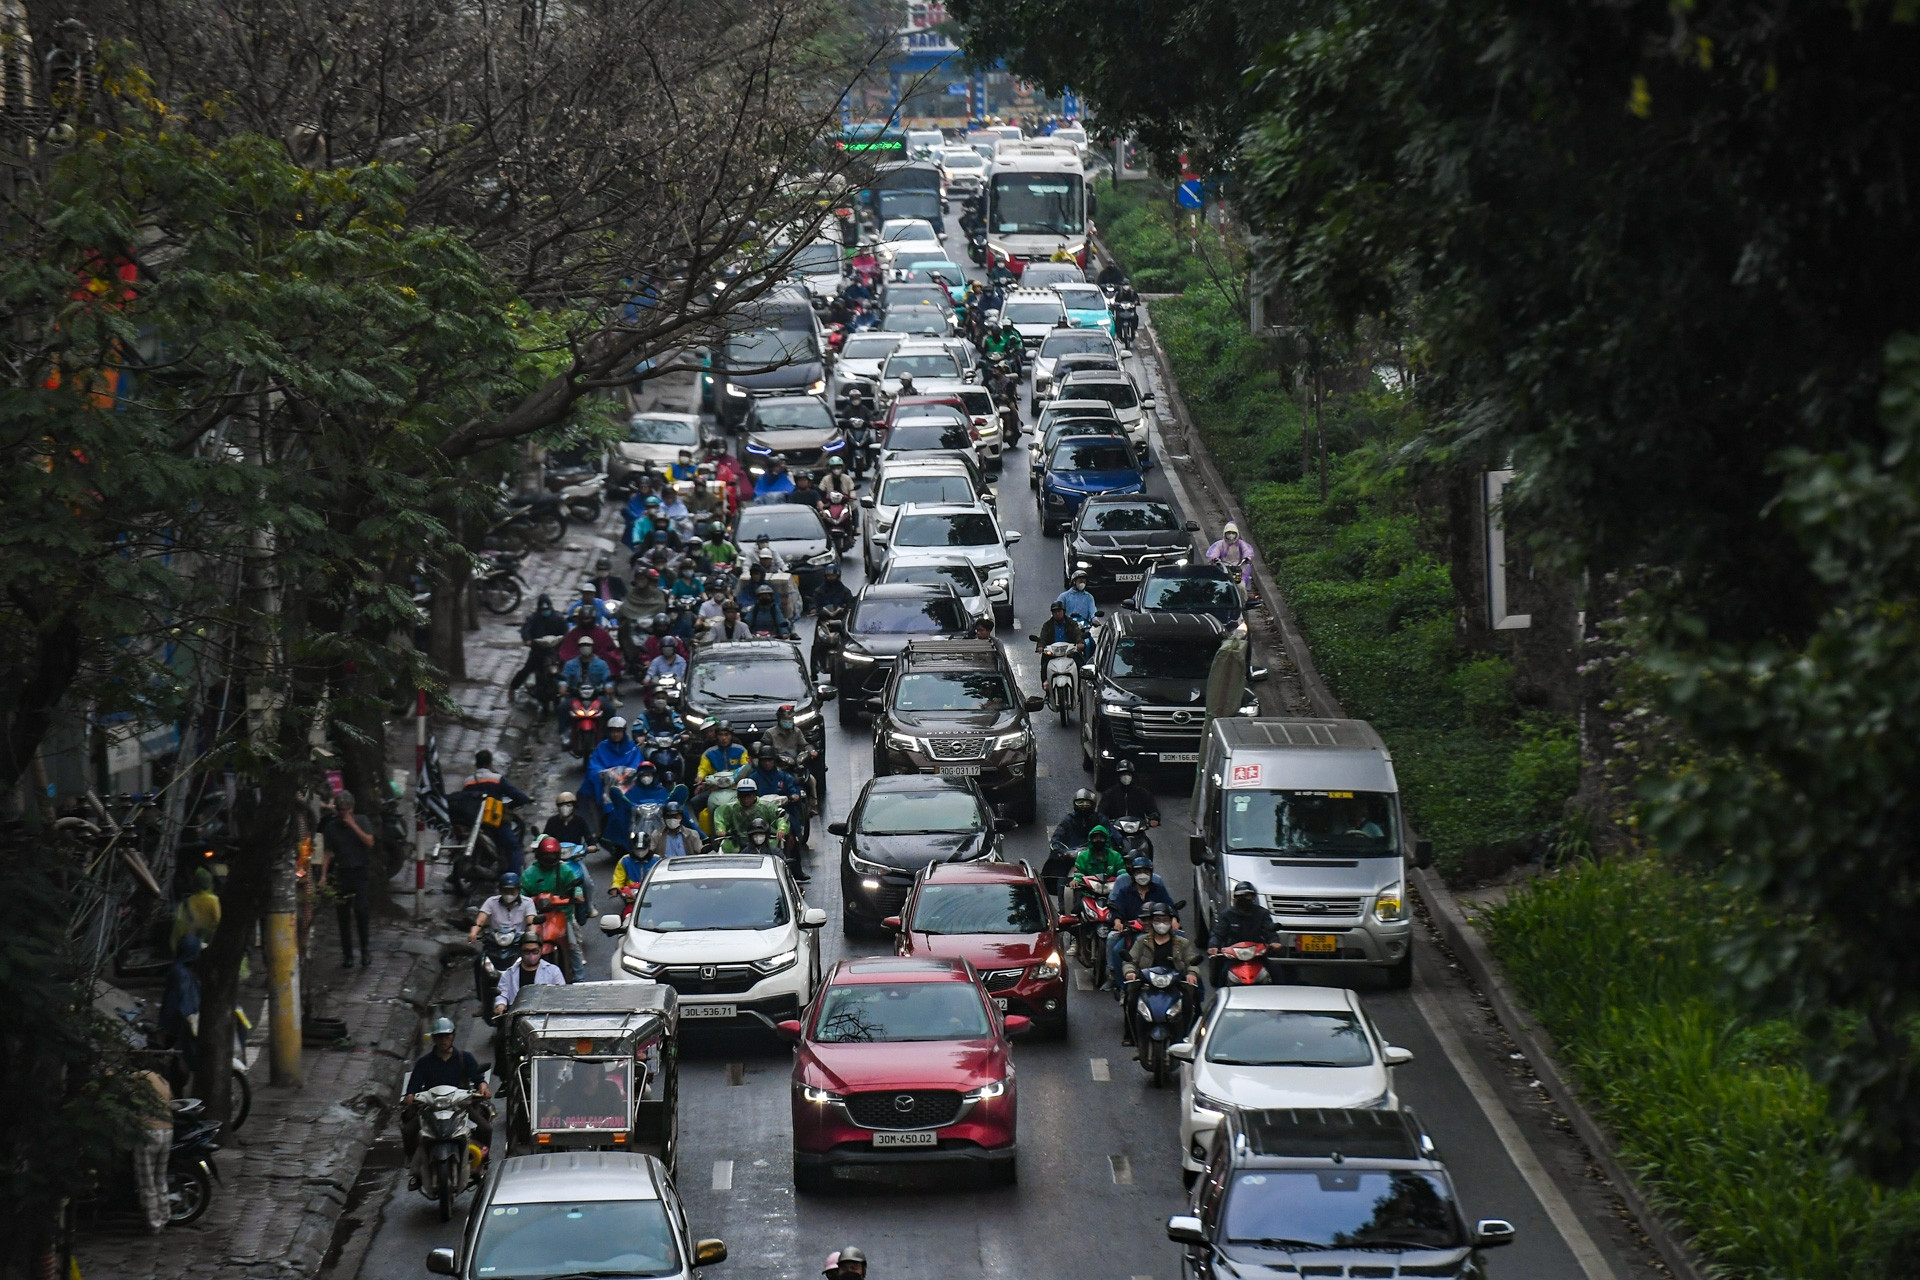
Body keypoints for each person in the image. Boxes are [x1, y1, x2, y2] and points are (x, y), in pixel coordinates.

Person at [402, 1018, 493, 1165]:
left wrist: (483, 1087)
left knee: (486, 1129)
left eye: (447, 1036)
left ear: (453, 1036)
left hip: (460, 1106)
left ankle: (483, 1159)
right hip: (431, 1107)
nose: (443, 1040)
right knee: (408, 1131)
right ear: (434, 1038)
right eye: (439, 1037)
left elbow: (478, 1078)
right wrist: (410, 1095)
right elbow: (414, 1085)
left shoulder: (465, 1058)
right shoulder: (424, 1062)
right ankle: (412, 1161)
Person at [1121, 902, 1203, 1047]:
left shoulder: (1182, 943)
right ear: (1152, 922)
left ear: (1171, 922)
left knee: (1190, 1003)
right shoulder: (1141, 941)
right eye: (1157, 920)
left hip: (1174, 984)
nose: (1161, 924)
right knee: (1131, 1000)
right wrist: (1130, 972)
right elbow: (1130, 961)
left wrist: (1191, 973)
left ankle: (1187, 1037)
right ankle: (1132, 1036)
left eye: (1165, 920)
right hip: (1147, 983)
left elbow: (1192, 961)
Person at [320, 790, 377, 967]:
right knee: (343, 915)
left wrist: (353, 826)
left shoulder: (362, 821)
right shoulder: (331, 827)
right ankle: (348, 955)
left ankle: (365, 950)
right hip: (342, 873)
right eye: (341, 810)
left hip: (360, 872)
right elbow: (327, 852)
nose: (344, 813)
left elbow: (370, 842)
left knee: (361, 911)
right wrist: (323, 875)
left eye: (347, 809)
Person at [519, 840, 585, 982]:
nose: (550, 858)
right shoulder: (530, 873)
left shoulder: (565, 870)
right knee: (522, 942)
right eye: (546, 855)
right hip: (536, 916)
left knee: (572, 945)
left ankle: (580, 979)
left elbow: (575, 886)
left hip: (562, 913)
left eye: (553, 855)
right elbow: (522, 892)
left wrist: (577, 894)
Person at [1108, 854, 1177, 990]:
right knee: (1117, 950)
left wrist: (1174, 919)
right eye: (1139, 872)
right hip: (1132, 931)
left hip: (1159, 929)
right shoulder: (1125, 892)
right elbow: (1118, 909)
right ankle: (1121, 986)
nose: (1142, 875)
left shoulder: (1159, 890)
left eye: (1146, 872)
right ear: (1133, 874)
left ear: (1151, 873)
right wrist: (1117, 921)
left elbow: (1170, 906)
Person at [452, 760, 532, 875]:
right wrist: (522, 801)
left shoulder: (468, 781)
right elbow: (519, 797)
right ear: (490, 764)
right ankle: (515, 878)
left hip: (472, 820)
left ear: (476, 765)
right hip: (493, 819)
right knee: (513, 847)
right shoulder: (497, 779)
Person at [1044, 787, 1114, 897]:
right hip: (1072, 858)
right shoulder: (1068, 820)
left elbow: (1111, 835)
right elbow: (1056, 838)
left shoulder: (1101, 819)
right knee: (1061, 881)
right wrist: (1060, 851)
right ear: (1074, 803)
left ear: (1093, 804)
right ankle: (1062, 906)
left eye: (1087, 803)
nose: (1083, 806)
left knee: (1116, 879)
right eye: (1080, 803)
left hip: (1097, 857)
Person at [1208, 880, 1281, 984]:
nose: (1244, 899)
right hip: (1234, 957)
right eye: (1240, 896)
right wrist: (1213, 945)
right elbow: (1218, 933)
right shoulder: (1227, 915)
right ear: (1235, 898)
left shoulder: (1262, 914)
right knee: (1221, 975)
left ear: (1253, 897)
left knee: (1277, 973)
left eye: (1248, 896)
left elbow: (1269, 931)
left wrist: (1274, 942)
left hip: (1257, 956)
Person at [133, 1068, 173, 1232]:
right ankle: (164, 1217)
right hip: (167, 1131)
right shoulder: (163, 1081)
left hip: (149, 1132)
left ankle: (154, 1224)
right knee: (160, 1179)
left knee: (147, 1182)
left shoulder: (140, 1076)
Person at [584, 716, 646, 821]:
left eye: (618, 731)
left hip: (628, 784)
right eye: (613, 731)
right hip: (608, 785)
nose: (615, 734)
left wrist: (628, 773)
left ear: (624, 732)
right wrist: (604, 773)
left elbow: (639, 765)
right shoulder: (602, 747)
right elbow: (593, 766)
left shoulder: (632, 748)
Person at [158, 931, 202, 1075]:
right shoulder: (182, 974)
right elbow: (184, 1001)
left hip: (175, 1022)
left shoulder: (181, 970)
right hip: (178, 1023)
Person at [509, 594, 570, 695]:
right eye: (543, 609)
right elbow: (526, 630)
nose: (545, 611)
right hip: (538, 651)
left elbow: (565, 630)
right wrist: (528, 639)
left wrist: (564, 638)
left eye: (547, 609)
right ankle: (513, 687)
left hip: (554, 650)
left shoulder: (558, 618)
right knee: (527, 669)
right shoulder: (533, 618)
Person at [713, 777, 789, 854]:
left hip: (763, 841)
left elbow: (780, 818)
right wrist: (721, 830)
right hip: (736, 843)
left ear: (755, 794)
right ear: (738, 795)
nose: (746, 798)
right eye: (742, 795)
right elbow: (720, 817)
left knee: (777, 853)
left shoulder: (768, 807)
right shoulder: (730, 808)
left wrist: (781, 829)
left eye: (749, 795)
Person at [1067, 824, 1125, 915]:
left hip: (1112, 893)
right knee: (1077, 910)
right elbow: (1079, 873)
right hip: (1088, 893)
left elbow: (1122, 874)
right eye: (1095, 838)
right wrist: (1076, 881)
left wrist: (1124, 882)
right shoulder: (1083, 856)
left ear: (1106, 839)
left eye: (1101, 838)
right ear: (1091, 840)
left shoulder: (1115, 856)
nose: (1098, 840)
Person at [470, 871, 536, 946]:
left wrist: (532, 936)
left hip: (518, 942)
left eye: (512, 891)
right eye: (505, 891)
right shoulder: (491, 901)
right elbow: (480, 921)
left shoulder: (528, 902)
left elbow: (531, 922)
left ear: (518, 890)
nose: (509, 894)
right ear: (500, 890)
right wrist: (473, 933)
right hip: (495, 941)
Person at [170, 865, 222, 953]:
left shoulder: (186, 902)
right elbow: (218, 924)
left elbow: (178, 929)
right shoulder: (214, 901)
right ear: (210, 883)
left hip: (187, 946)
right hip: (204, 946)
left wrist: (174, 949)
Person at [1100, 759, 1160, 825]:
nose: (1126, 777)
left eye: (1128, 774)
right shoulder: (1109, 794)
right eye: (1123, 774)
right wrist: (1102, 821)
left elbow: (1152, 810)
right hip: (1115, 828)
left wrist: (1154, 818)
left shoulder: (1142, 793)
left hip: (1137, 827)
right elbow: (1101, 812)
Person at [1206, 521, 1258, 588]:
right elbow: (1214, 552)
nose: (1231, 535)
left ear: (1237, 534)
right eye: (1229, 533)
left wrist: (1247, 557)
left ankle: (1242, 595)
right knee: (1218, 585)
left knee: (1241, 586)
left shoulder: (1241, 544)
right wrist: (1214, 558)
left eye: (1233, 533)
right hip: (1223, 569)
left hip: (1237, 569)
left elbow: (1247, 551)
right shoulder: (1220, 544)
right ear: (1225, 533)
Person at [560, 635, 613, 700]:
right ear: (578, 647)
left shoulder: (602, 664)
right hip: (575, 695)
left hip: (596, 695)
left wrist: (608, 686)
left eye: (588, 645)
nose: (585, 647)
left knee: (609, 706)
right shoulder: (570, 664)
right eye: (582, 645)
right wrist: (563, 685)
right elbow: (564, 677)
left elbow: (607, 678)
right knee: (562, 706)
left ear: (592, 647)